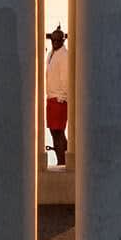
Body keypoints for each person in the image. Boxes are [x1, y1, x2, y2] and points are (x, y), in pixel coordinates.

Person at [44, 26, 71, 167]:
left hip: (59, 99)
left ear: (62, 40)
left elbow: (65, 79)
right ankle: (60, 160)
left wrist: (64, 97)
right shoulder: (51, 55)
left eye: (57, 39)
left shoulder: (64, 56)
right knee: (53, 131)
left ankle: (63, 161)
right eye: (52, 39)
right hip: (51, 97)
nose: (54, 42)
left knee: (59, 131)